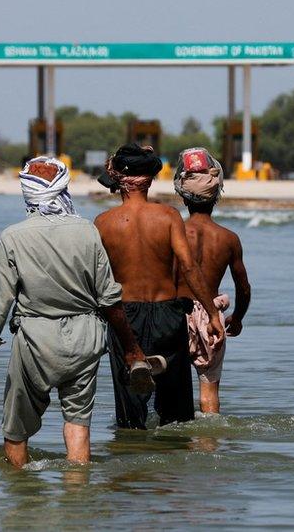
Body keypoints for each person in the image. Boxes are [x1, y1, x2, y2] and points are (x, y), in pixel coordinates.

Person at [0, 156, 153, 469]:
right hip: (87, 338)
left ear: (28, 194)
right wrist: (132, 351)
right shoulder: (87, 232)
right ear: (63, 190)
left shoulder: (13, 237)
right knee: (77, 424)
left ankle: (21, 500)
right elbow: (110, 300)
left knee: (16, 431)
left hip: (36, 340)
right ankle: (77, 500)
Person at [94, 143, 225, 429]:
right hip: (167, 315)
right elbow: (189, 268)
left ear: (119, 180)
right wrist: (212, 315)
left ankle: (131, 463)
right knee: (176, 416)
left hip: (125, 318)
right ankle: (172, 466)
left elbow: (96, 280)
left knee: (130, 417)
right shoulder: (168, 217)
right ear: (151, 179)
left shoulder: (102, 223)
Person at [174, 147, 251, 414]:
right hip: (211, 317)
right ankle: (209, 444)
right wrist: (238, 317)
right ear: (216, 195)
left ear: (183, 197)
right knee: (209, 391)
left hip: (175, 312)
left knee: (169, 388)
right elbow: (243, 286)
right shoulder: (228, 238)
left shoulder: (174, 232)